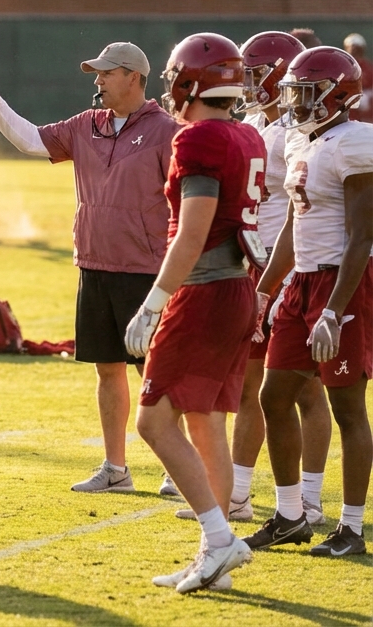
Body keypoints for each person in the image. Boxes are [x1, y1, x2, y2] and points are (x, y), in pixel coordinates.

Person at [0, 42, 181, 495]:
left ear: (134, 78)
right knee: (107, 369)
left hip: (147, 270)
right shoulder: (87, 124)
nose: (98, 80)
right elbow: (32, 140)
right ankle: (115, 468)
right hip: (94, 264)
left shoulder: (167, 130)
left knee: (155, 370)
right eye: (97, 73)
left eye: (107, 73)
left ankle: (176, 467)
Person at [121, 33, 262, 593]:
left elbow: (195, 230)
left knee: (153, 419)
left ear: (187, 81)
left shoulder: (199, 138)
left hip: (203, 290)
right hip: (235, 287)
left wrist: (154, 302)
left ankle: (221, 539)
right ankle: (214, 552)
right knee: (205, 422)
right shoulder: (244, 132)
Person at [180, 31, 331, 527]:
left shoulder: (300, 129)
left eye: (252, 73)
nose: (243, 82)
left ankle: (310, 498)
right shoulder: (249, 124)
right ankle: (240, 493)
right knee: (249, 383)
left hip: (291, 267)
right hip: (253, 267)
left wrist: (278, 272)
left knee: (302, 388)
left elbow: (301, 205)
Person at [246, 45, 373, 557]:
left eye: (306, 92)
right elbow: (295, 228)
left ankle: (353, 528)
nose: (296, 102)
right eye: (293, 91)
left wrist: (332, 310)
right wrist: (266, 289)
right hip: (301, 282)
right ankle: (290, 515)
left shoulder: (356, 142)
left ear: (336, 94)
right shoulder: (300, 143)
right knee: (273, 397)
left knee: (348, 409)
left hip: (341, 284)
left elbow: (362, 237)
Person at [342, 34, 373, 123]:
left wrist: (367, 95)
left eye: (357, 49)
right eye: (352, 48)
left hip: (365, 100)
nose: (355, 51)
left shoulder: (367, 66)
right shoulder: (344, 65)